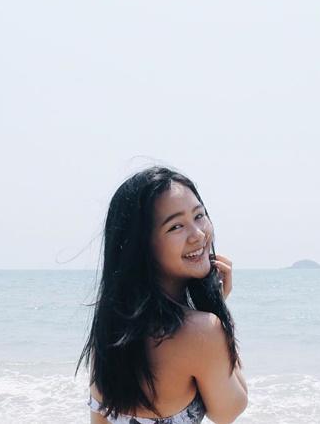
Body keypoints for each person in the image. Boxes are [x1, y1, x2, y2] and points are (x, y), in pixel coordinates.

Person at [77, 166, 248, 424]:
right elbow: (228, 412)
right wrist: (218, 313)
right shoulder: (202, 332)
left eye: (199, 215)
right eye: (176, 226)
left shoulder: (111, 324)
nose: (198, 234)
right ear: (142, 245)